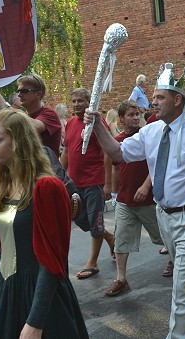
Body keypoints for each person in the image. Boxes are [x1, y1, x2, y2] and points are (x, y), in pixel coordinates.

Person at [85, 62, 185, 339]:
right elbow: (117, 152)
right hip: (165, 217)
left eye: (160, 97)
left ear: (177, 99)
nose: (153, 102)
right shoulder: (150, 131)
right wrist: (98, 124)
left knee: (181, 287)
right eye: (155, 97)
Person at [0, 109, 88, 338]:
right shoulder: (4, 186)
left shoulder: (47, 187)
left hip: (40, 296)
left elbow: (52, 262)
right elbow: (8, 247)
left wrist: (35, 321)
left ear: (18, 142)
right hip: (5, 289)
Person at [104, 101, 172, 297]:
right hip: (126, 201)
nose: (135, 118)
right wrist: (114, 190)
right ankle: (121, 279)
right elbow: (116, 166)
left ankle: (177, 263)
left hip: (149, 200)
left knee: (165, 236)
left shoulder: (148, 136)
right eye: (131, 115)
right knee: (121, 240)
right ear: (121, 119)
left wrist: (145, 186)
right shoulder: (118, 140)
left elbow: (159, 162)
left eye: (137, 114)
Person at [60, 88, 115, 279]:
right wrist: (57, 176)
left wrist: (108, 184)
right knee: (81, 218)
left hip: (95, 182)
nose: (76, 105)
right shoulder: (70, 124)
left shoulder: (96, 123)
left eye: (80, 101)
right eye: (73, 101)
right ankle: (108, 236)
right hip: (74, 183)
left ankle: (92, 262)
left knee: (95, 221)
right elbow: (66, 151)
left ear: (88, 103)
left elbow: (108, 152)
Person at [15, 73, 63, 157]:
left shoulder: (50, 114)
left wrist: (5, 106)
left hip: (46, 169)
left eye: (24, 91)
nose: (19, 95)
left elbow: (32, 127)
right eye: (18, 91)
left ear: (38, 94)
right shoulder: (23, 116)